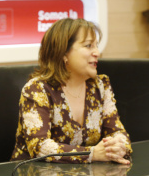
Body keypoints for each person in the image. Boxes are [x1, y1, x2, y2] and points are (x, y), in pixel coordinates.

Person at [11, 18, 132, 164]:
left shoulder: (100, 86)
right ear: (63, 53)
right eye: (88, 46)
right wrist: (91, 154)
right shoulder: (37, 89)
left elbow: (118, 132)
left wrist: (119, 147)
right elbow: (39, 147)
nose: (97, 53)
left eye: (96, 46)